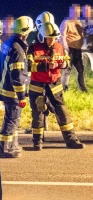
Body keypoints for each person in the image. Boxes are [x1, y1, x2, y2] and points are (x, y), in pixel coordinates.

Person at [27, 21, 84, 150]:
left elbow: (67, 61)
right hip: (38, 87)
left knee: (63, 113)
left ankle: (71, 140)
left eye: (54, 38)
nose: (52, 41)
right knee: (38, 114)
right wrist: (46, 66)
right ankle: (37, 142)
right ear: (42, 37)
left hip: (55, 86)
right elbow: (28, 65)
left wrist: (62, 64)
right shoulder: (34, 48)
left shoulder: (59, 47)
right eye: (49, 38)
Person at [0, 16, 34, 158]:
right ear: (26, 31)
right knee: (12, 118)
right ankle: (4, 148)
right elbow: (17, 77)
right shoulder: (18, 50)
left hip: (4, 87)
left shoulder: (9, 43)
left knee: (13, 118)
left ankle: (12, 145)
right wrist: (22, 96)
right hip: (12, 92)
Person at [60, 4, 87, 92]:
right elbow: (62, 36)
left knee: (80, 69)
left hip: (77, 50)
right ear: (71, 12)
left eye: (78, 12)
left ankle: (83, 89)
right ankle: (64, 88)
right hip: (69, 49)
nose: (77, 13)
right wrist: (65, 49)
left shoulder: (79, 23)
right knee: (67, 69)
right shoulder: (66, 22)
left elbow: (81, 35)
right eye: (75, 11)